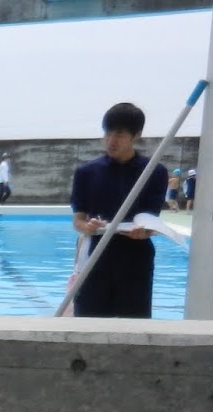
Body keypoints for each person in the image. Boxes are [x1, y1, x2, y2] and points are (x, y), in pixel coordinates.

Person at [69, 102, 168, 319]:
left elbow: (152, 221)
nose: (111, 141)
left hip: (136, 260)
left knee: (133, 327)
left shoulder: (154, 172)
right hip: (95, 258)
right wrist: (89, 227)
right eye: (108, 133)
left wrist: (145, 232)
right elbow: (78, 221)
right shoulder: (86, 172)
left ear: (136, 135)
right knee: (88, 325)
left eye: (120, 135)